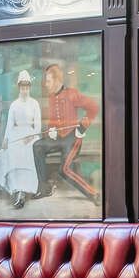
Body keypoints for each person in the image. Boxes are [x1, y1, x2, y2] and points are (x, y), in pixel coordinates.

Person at [37, 62, 101, 200]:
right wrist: (50, 130)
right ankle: (44, 188)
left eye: (48, 81)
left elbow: (94, 107)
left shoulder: (72, 94)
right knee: (37, 147)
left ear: (56, 80)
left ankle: (93, 193)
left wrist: (82, 127)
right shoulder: (51, 97)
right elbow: (53, 120)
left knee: (64, 169)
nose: (46, 84)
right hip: (58, 139)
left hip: (73, 139)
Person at [0, 70, 41, 209]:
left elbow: (38, 125)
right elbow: (10, 124)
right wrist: (5, 139)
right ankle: (17, 191)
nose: (25, 90)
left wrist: (32, 135)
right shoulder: (15, 104)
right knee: (10, 153)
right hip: (16, 134)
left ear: (29, 88)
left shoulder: (34, 103)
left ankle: (24, 190)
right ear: (19, 88)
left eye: (27, 87)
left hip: (30, 135)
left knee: (26, 154)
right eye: (22, 87)